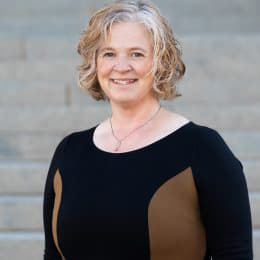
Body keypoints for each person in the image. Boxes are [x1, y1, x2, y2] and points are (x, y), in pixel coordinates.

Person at [43, 0, 253, 259]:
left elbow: (235, 254)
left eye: (136, 54)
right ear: (95, 63)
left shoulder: (204, 149)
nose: (121, 66)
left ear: (160, 63)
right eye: (109, 53)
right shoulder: (69, 152)